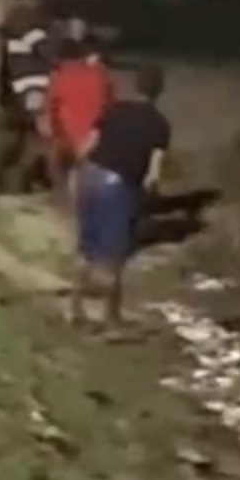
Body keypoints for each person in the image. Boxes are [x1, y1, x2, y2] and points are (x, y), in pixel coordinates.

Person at [70, 62, 171, 332]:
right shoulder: (159, 124)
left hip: (90, 177)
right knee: (113, 256)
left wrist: (78, 175)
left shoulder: (113, 109)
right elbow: (153, 174)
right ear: (159, 90)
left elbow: (86, 146)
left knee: (87, 248)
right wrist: (147, 197)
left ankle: (77, 308)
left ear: (136, 85)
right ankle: (109, 317)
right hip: (117, 187)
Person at [47, 36, 112, 208]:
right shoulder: (101, 76)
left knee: (61, 163)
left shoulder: (59, 78)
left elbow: (51, 112)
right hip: (96, 140)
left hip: (68, 141)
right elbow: (111, 106)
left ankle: (73, 205)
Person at [1, 0, 54, 185]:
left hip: (26, 81)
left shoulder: (19, 17)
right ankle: (20, 177)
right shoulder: (22, 17)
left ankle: (27, 175)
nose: (39, 2)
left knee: (32, 132)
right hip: (31, 82)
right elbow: (42, 46)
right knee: (41, 129)